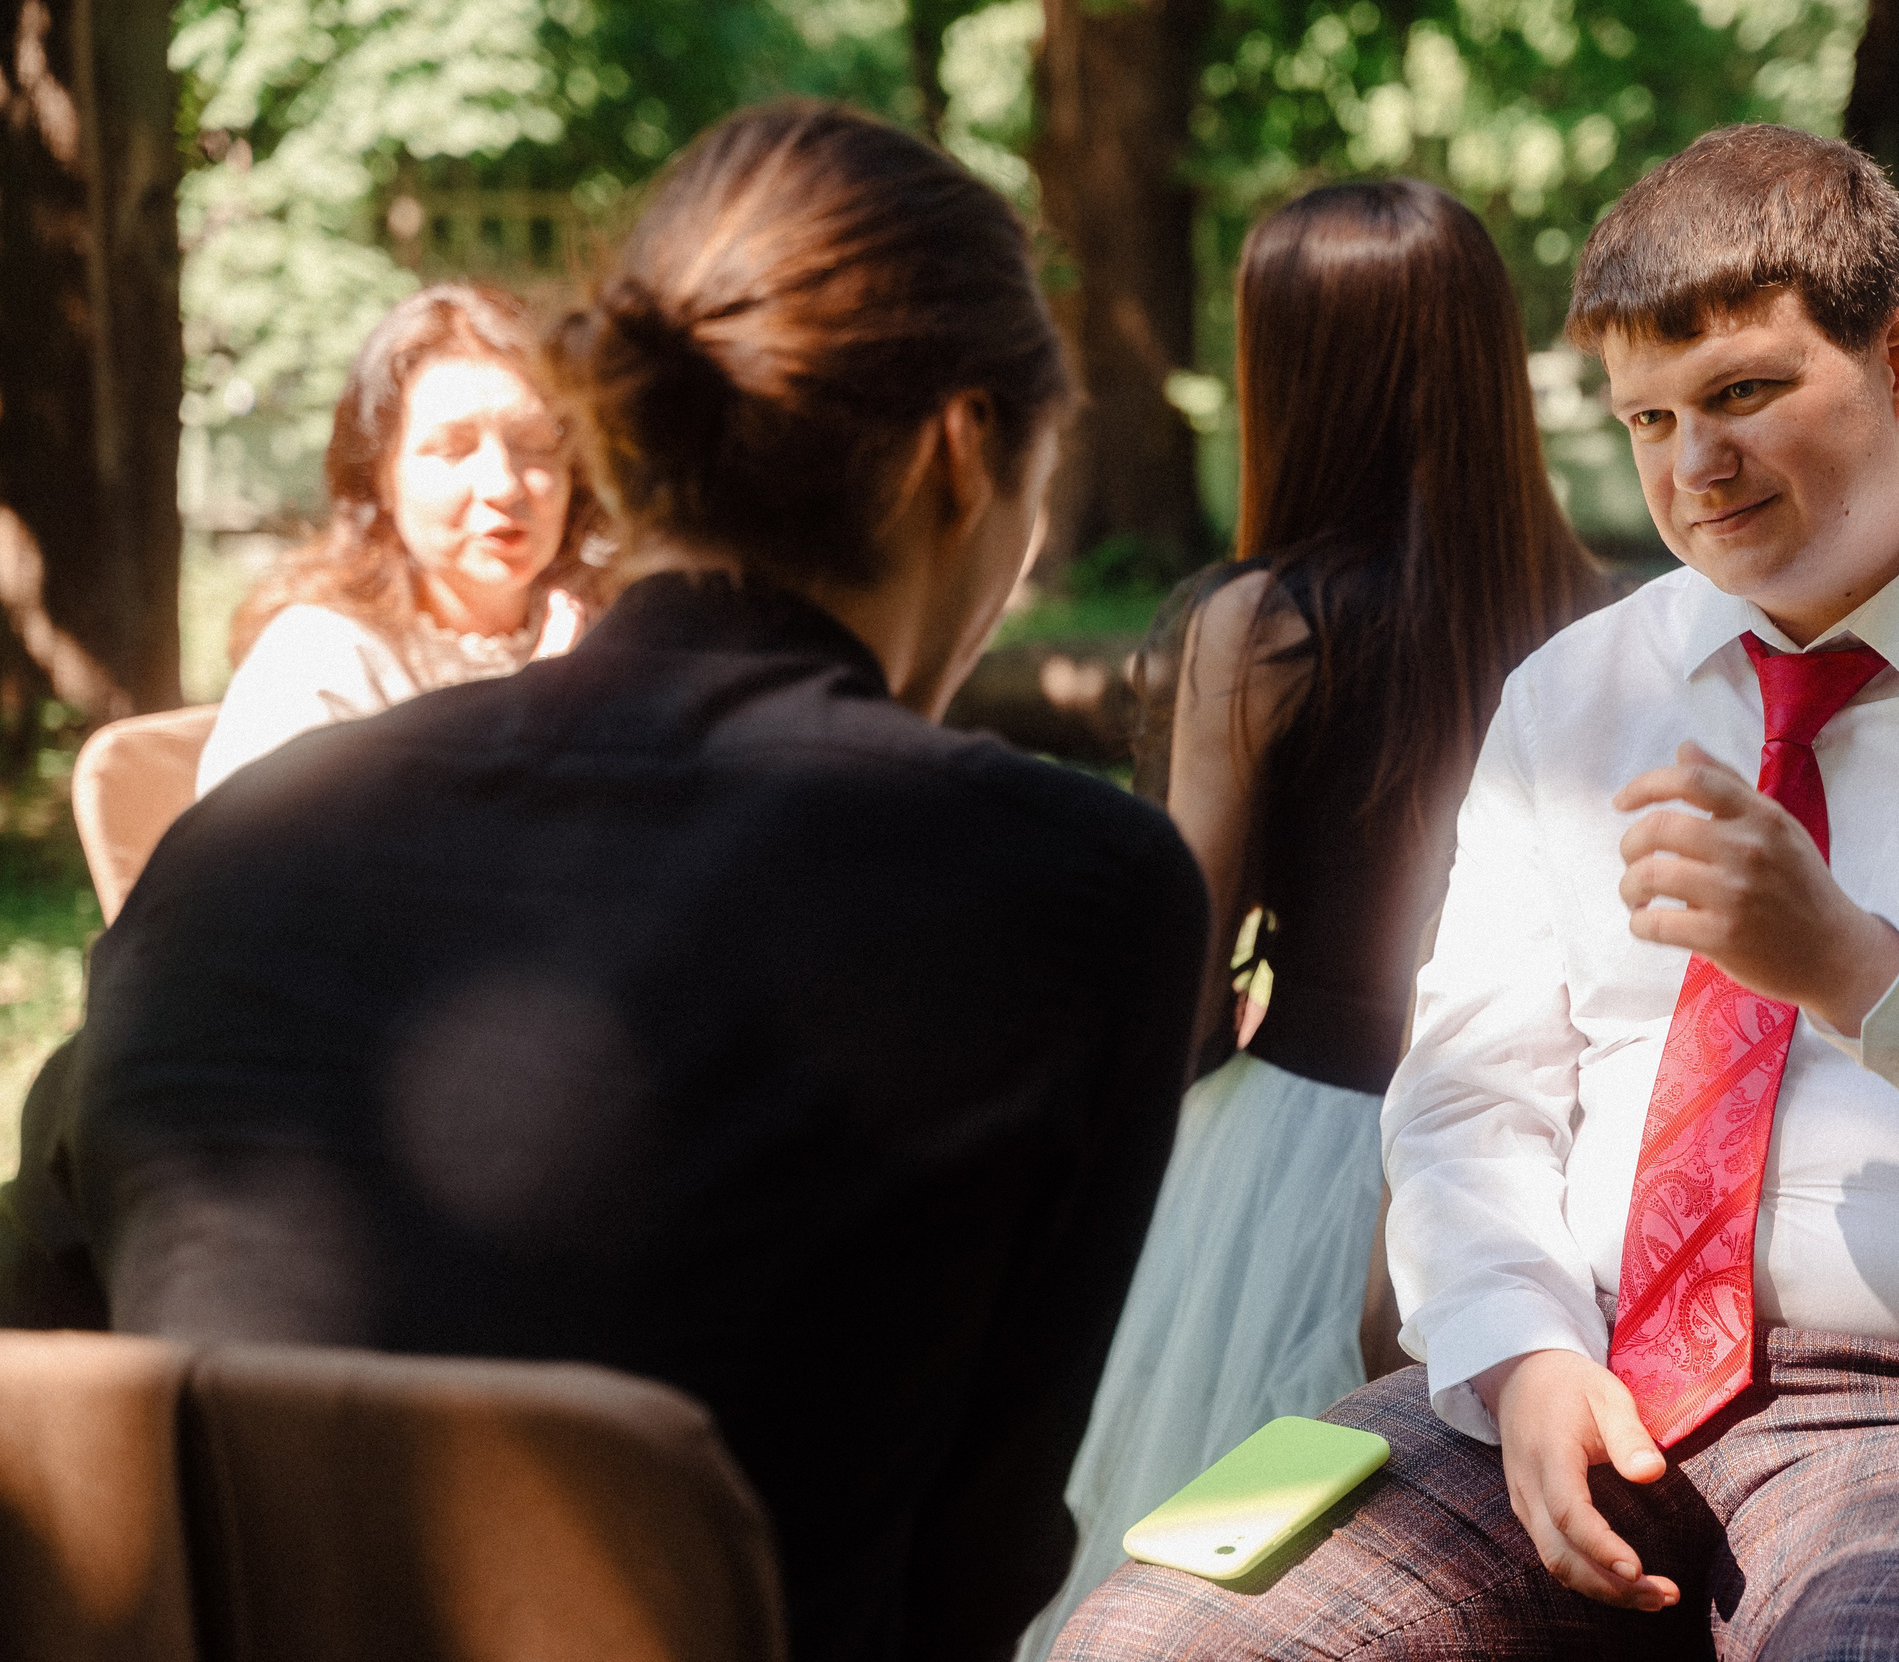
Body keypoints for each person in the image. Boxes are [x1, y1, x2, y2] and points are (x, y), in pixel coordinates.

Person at [1056, 124, 1899, 1661]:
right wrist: (1519, 1356)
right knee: (1144, 1642)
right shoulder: (1573, 693)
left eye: (1742, 394)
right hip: (1573, 1383)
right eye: (1649, 418)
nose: (1693, 468)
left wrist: (1862, 969)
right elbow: (1465, 1106)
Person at [2, 101, 1207, 1662]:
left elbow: (45, 1369)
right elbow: (973, 1575)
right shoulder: (1071, 891)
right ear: (964, 453)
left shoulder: (234, 845)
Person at [1016, 179, 1602, 1657]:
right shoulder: (1600, 618)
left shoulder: (1265, 624)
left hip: (1302, 1146)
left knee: (1214, 1572)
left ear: (1294, 376)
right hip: (1542, 1149)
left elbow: (1180, 948)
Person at [197, 283, 599, 796]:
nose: (502, 484)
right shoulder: (319, 662)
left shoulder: (608, 633)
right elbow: (260, 847)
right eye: (453, 449)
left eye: (536, 443)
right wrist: (527, 727)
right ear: (381, 478)